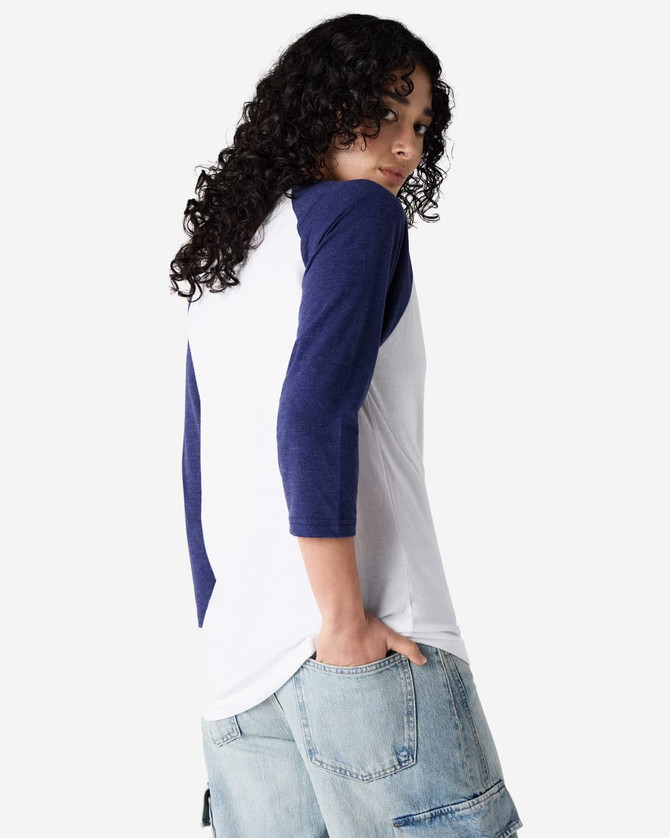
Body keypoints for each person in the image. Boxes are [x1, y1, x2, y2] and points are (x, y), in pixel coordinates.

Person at [170, 13, 523, 838]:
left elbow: (200, 474)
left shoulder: (229, 259)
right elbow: (311, 415)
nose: (406, 148)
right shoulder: (357, 215)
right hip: (362, 641)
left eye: (421, 127)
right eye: (387, 112)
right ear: (323, 104)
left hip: (238, 676)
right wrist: (341, 622)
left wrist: (226, 633)